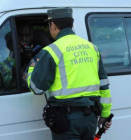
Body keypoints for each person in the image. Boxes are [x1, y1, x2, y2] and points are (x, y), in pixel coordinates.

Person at [27, 7, 112, 140]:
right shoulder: (91, 47)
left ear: (53, 25)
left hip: (66, 121)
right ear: (71, 24)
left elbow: (36, 88)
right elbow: (104, 84)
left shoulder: (52, 50)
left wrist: (32, 67)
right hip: (90, 119)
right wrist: (105, 113)